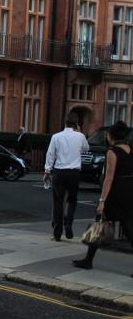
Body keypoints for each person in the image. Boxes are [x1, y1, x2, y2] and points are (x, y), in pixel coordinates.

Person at [72, 121, 133, 270]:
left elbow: (109, 178)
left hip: (116, 191)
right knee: (128, 227)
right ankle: (87, 260)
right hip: (130, 190)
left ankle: (88, 260)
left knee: (99, 223)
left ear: (111, 136)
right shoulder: (132, 150)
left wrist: (101, 201)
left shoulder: (112, 152)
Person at [43, 112, 89, 241]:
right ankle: (68, 223)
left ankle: (57, 232)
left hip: (59, 172)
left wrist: (47, 171)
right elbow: (86, 148)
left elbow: (50, 154)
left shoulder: (56, 137)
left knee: (58, 201)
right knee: (72, 200)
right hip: (74, 173)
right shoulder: (80, 136)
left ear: (64, 123)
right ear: (76, 124)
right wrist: (80, 132)